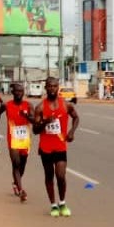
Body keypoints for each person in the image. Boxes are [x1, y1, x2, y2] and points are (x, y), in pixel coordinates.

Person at [33, 77, 79, 217]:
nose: (52, 88)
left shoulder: (66, 105)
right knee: (49, 175)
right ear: (46, 88)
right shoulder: (40, 107)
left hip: (60, 146)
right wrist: (45, 122)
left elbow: (76, 117)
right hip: (46, 147)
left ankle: (62, 202)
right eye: (49, 86)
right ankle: (53, 205)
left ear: (58, 87)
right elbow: (35, 130)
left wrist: (71, 132)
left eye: (55, 86)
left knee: (60, 175)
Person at [0, 83, 34, 202]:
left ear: (23, 93)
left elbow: (34, 120)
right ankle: (21, 190)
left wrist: (26, 116)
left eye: (21, 91)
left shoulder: (28, 105)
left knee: (22, 164)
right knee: (16, 163)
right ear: (13, 92)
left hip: (25, 139)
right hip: (13, 139)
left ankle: (16, 183)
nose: (18, 93)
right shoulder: (7, 105)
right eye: (16, 91)